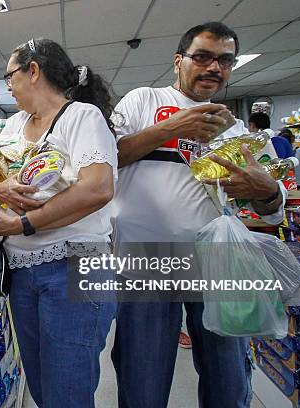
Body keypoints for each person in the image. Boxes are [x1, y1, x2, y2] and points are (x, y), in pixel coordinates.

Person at [111, 22, 286, 408]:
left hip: (220, 262)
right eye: (203, 56)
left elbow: (273, 206)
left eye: (225, 60)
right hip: (146, 260)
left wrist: (267, 192)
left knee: (229, 380)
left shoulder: (238, 129)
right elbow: (107, 159)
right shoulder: (144, 100)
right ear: (179, 61)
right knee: (143, 379)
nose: (214, 67)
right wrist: (171, 127)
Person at [0, 38, 117, 407]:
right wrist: (2, 186)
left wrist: (21, 224)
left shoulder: (82, 117)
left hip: (76, 265)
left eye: (10, 76)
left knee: (67, 391)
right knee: (43, 388)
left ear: (33, 72)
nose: (9, 86)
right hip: (25, 273)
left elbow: (98, 188)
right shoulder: (15, 125)